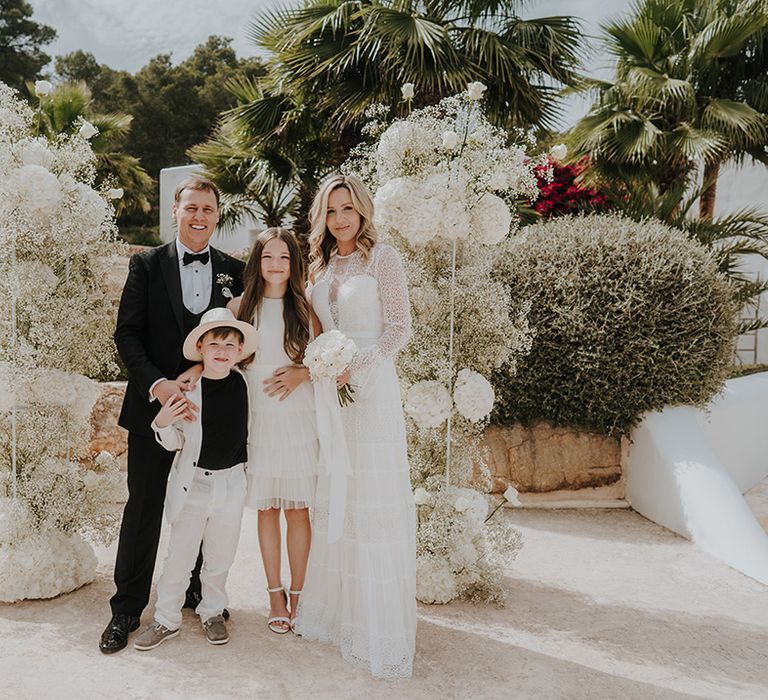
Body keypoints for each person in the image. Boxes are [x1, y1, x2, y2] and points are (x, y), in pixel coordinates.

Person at [100, 177, 245, 654]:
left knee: (204, 508)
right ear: (176, 212)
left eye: (208, 208)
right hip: (151, 412)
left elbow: (239, 340)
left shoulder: (235, 271)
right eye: (191, 208)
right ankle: (126, 610)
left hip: (212, 414)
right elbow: (127, 334)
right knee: (143, 509)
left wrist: (203, 369)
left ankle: (198, 594)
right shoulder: (145, 264)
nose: (199, 216)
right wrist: (160, 386)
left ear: (217, 215)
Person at [293, 174, 417, 679]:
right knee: (337, 489)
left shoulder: (383, 259)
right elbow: (313, 328)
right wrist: (323, 365)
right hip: (330, 392)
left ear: (362, 210)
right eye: (331, 210)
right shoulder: (318, 265)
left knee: (372, 493)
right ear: (321, 216)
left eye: (348, 208)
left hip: (373, 389)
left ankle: (377, 625)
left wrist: (356, 364)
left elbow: (400, 328)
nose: (341, 219)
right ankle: (339, 613)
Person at [132, 308, 257, 649]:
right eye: (214, 342)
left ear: (240, 351)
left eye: (230, 344)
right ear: (200, 347)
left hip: (232, 483)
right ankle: (166, 619)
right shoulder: (188, 389)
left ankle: (213, 610)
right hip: (194, 485)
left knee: (221, 556)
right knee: (180, 558)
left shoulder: (244, 382)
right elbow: (176, 442)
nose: (222, 350)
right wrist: (162, 422)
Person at [229, 227, 319, 634]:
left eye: (285, 257)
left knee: (299, 509)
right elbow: (217, 356)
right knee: (267, 508)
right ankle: (274, 595)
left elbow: (325, 361)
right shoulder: (239, 308)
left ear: (294, 263)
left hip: (297, 418)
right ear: (257, 262)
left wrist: (302, 372)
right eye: (268, 257)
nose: (277, 264)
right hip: (258, 417)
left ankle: (301, 594)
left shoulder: (305, 308)